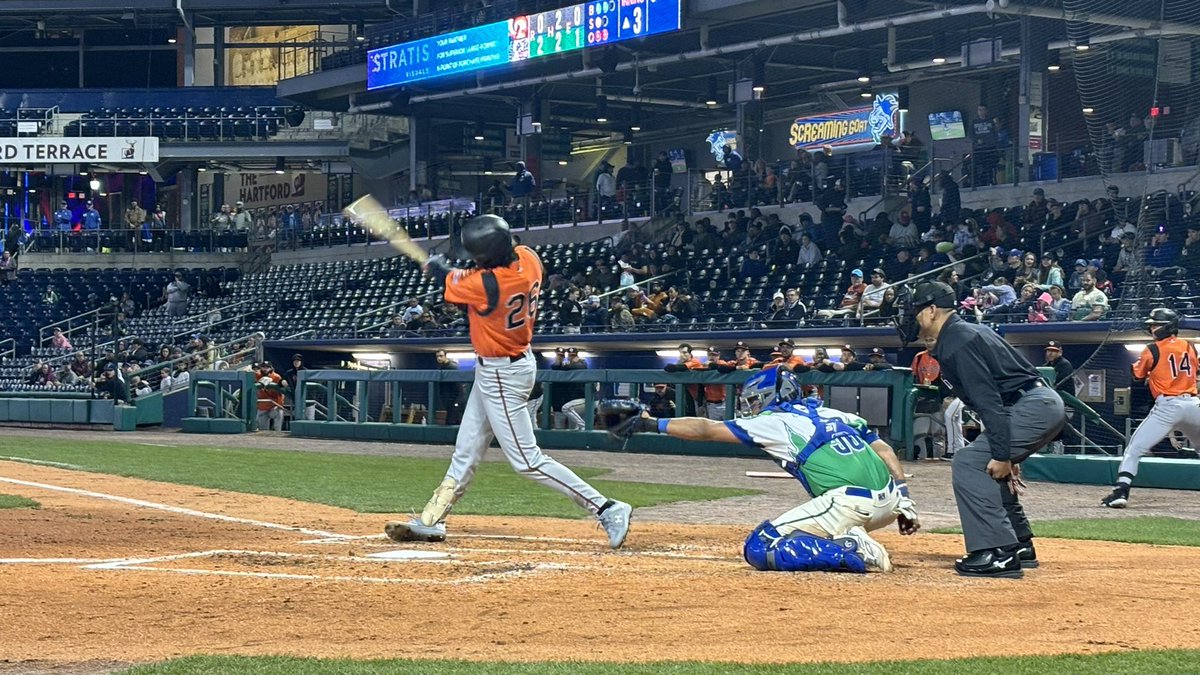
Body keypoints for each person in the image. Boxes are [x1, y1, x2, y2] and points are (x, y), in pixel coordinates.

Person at [384, 215, 631, 548]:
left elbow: (454, 283)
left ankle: (606, 507)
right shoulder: (529, 257)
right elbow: (472, 273)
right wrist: (447, 269)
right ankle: (431, 520)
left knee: (527, 460)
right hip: (505, 366)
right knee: (466, 450)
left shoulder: (488, 285)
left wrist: (439, 269)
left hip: (503, 374)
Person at [617, 367, 919, 573]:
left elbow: (707, 429)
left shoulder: (775, 421)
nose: (753, 408)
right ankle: (850, 533)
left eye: (756, 401)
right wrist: (903, 496)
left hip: (850, 505)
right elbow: (885, 450)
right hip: (892, 504)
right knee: (812, 526)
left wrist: (651, 423)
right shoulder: (834, 413)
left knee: (760, 547)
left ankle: (850, 546)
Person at [897, 281, 1066, 578]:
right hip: (1034, 403)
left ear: (933, 310)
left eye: (918, 312)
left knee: (968, 462)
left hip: (1030, 405)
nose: (915, 319)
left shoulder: (957, 341)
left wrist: (1004, 453)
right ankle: (1020, 543)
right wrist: (1004, 453)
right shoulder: (964, 333)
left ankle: (998, 552)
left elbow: (989, 403)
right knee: (986, 462)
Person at [1101, 309, 1200, 509]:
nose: (1153, 328)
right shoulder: (1190, 347)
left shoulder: (1152, 349)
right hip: (1193, 404)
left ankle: (1121, 491)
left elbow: (1137, 374)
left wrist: (1149, 373)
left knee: (1134, 449)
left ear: (1169, 326)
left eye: (1157, 324)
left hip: (1168, 406)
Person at [554, 347, 591, 430]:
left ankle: (583, 427)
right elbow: (555, 367)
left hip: (578, 402)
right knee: (559, 430)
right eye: (570, 356)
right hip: (562, 403)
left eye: (573, 356)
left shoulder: (581, 365)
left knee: (573, 428)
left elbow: (581, 366)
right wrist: (559, 361)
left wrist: (569, 364)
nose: (571, 357)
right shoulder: (562, 366)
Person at [255, 362, 285, 431]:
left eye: (267, 367)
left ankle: (278, 433)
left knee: (279, 413)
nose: (265, 369)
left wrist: (280, 404)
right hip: (262, 405)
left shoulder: (276, 377)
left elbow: (281, 393)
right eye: (263, 367)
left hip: (274, 404)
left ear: (271, 368)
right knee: (262, 431)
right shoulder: (256, 375)